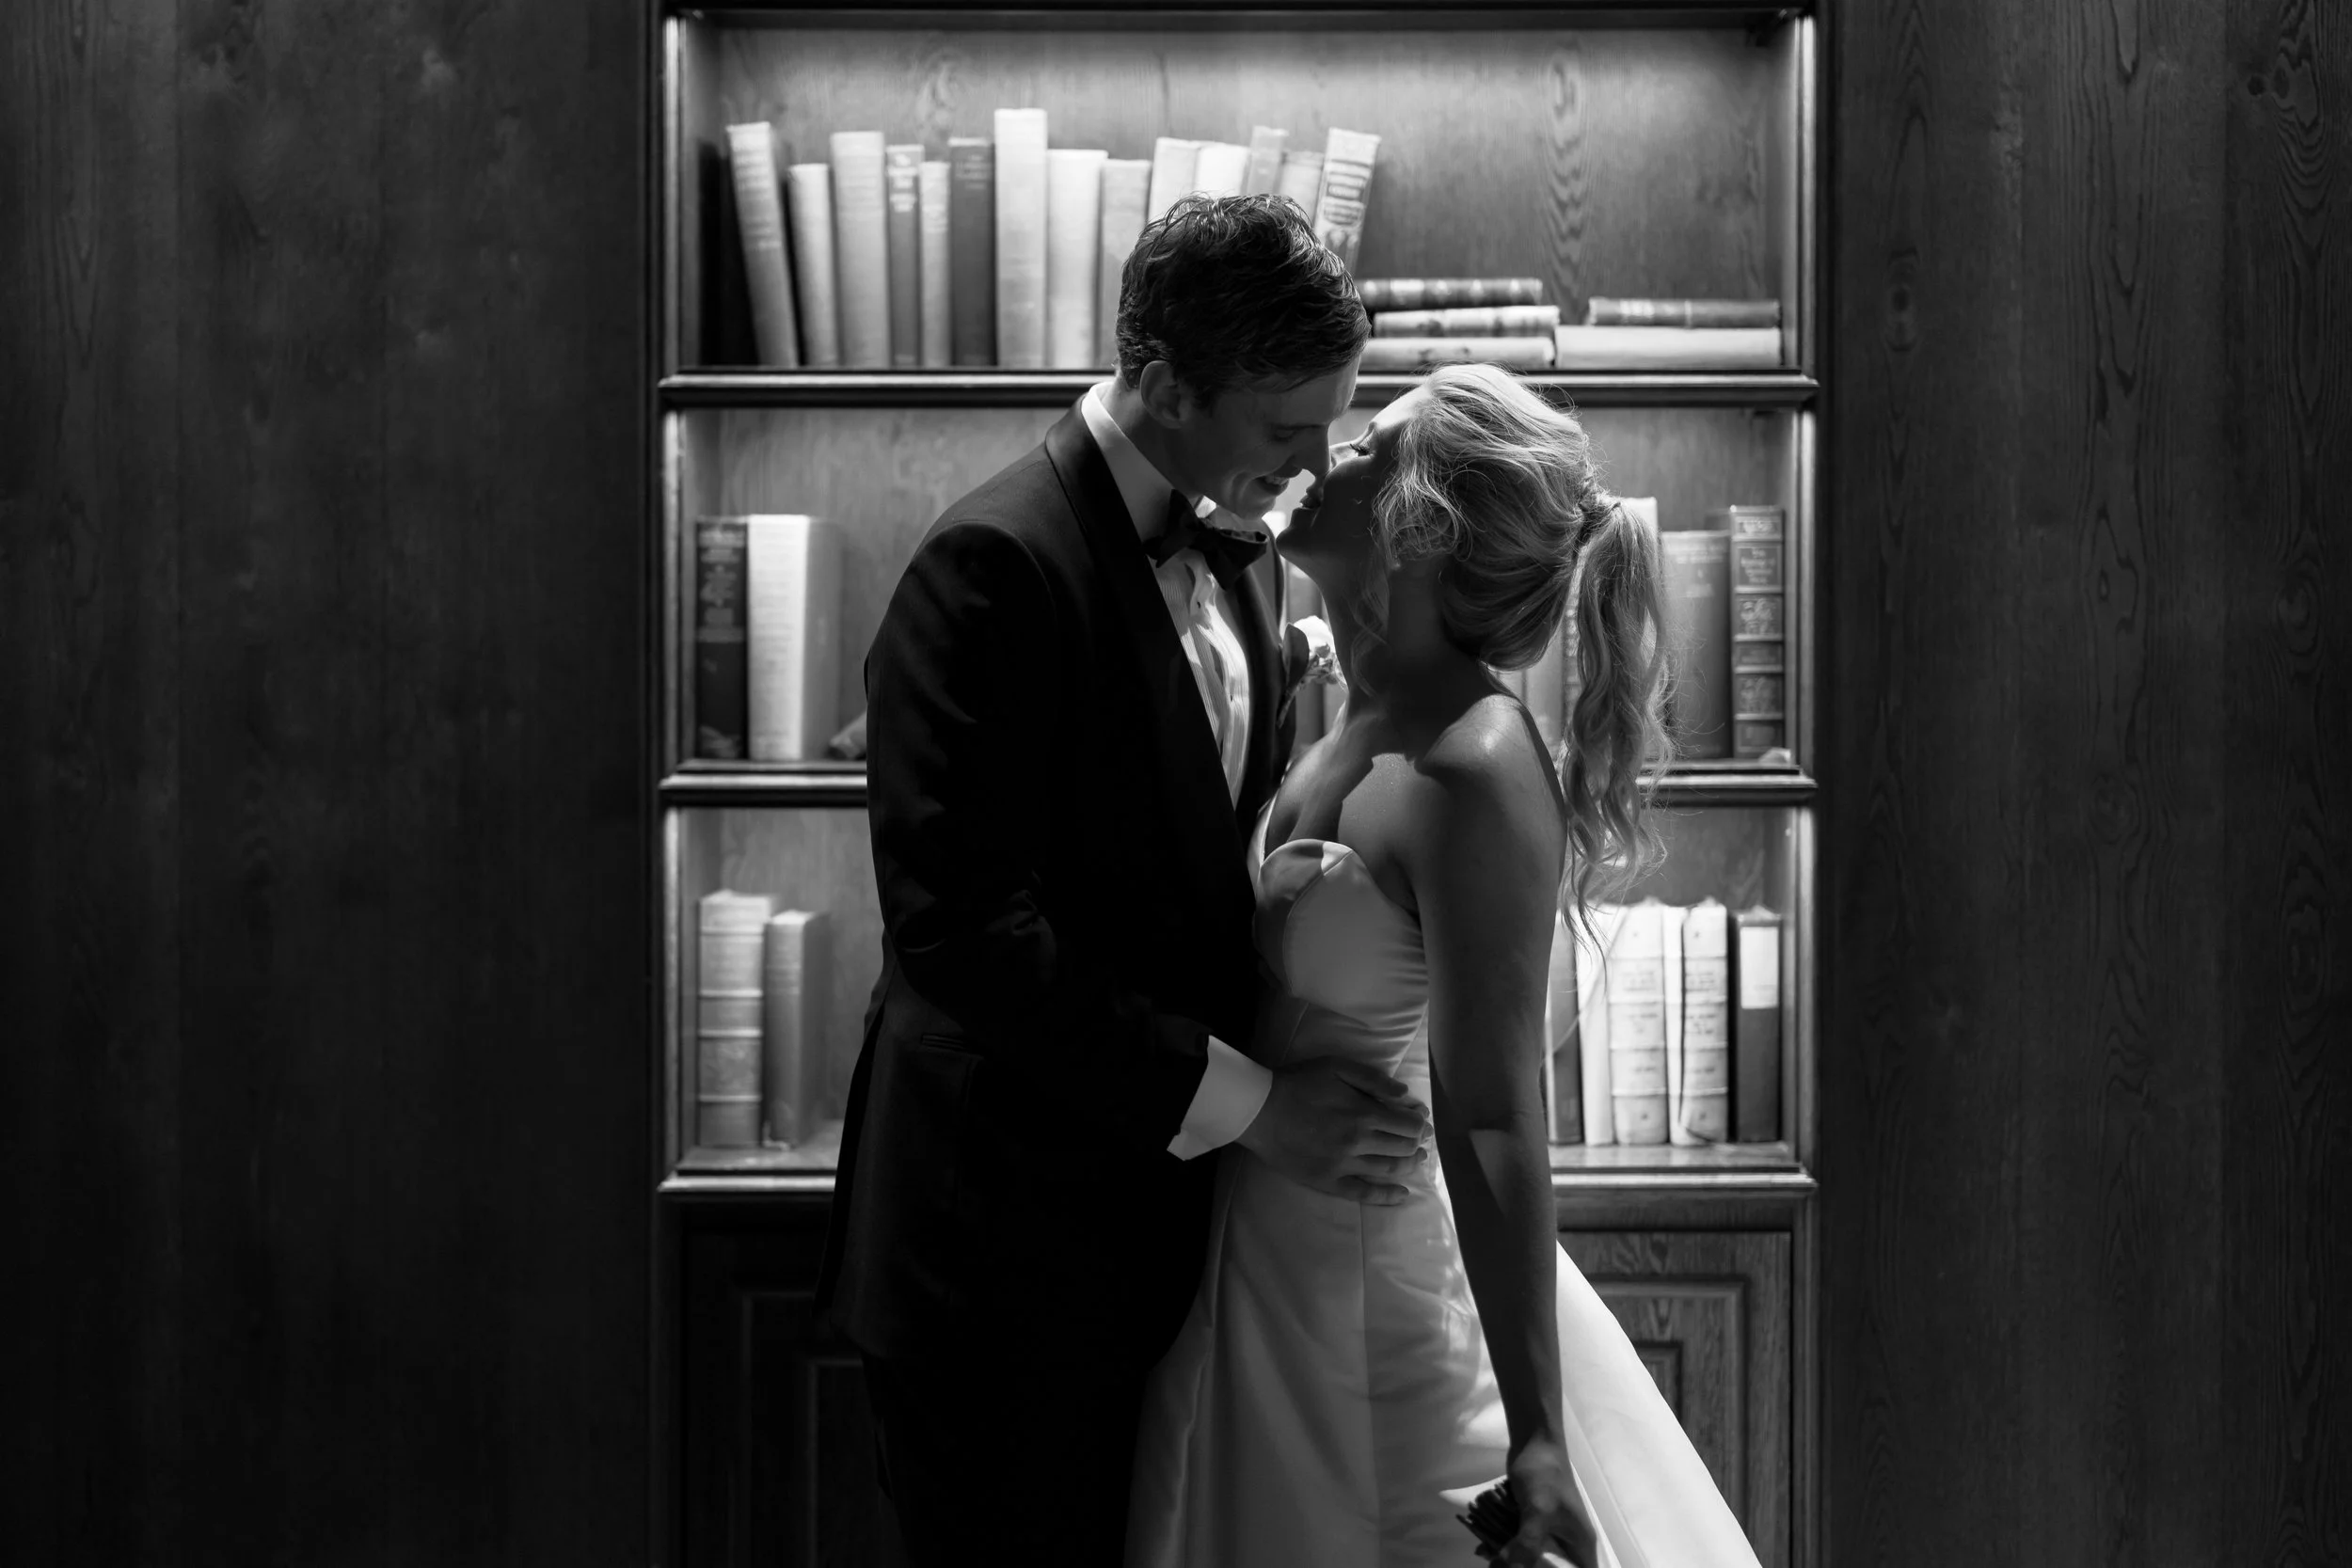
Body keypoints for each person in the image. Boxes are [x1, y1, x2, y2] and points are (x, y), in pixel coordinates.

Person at [816, 195, 1434, 1564]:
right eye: (1288, 429)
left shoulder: (1244, 549)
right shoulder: (990, 565)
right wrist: (1260, 1106)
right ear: (1161, 380)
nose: (1317, 464)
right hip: (998, 1264)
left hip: (1168, 1243)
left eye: (1331, 425)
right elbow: (969, 938)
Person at [1124, 363, 1767, 1568]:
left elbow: (1492, 1116)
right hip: (1259, 1263)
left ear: (1419, 525)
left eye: (1369, 445)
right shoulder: (1348, 706)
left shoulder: (1475, 763)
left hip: (1381, 1297)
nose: (1327, 453)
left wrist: (1537, 1434)